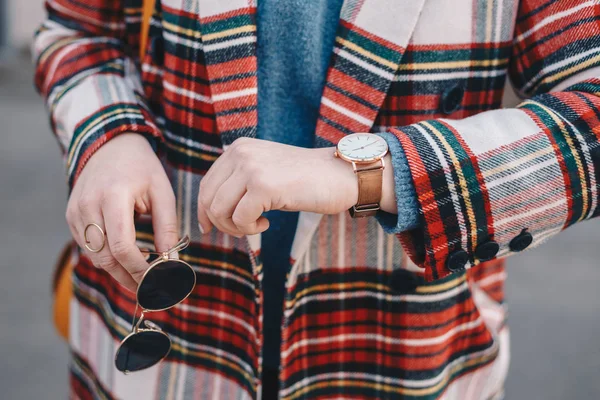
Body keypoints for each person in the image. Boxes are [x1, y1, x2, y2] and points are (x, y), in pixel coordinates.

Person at [34, 0, 600, 398]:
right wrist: (110, 135)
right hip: (161, 345)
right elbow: (79, 30)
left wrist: (369, 173)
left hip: (409, 355)